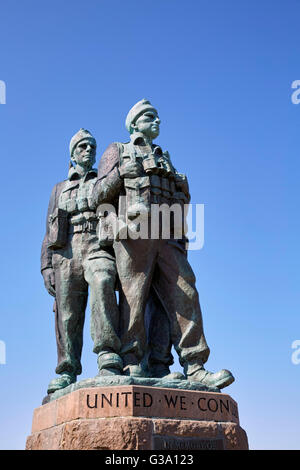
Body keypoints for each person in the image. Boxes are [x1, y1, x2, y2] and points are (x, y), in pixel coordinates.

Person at [92, 100, 234, 389]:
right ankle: (133, 361)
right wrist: (120, 173)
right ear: (134, 123)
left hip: (168, 231)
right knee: (134, 297)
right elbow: (98, 196)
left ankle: (195, 366)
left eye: (157, 117)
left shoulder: (164, 156)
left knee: (185, 290)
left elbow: (179, 198)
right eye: (149, 116)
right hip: (134, 232)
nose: (157, 121)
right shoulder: (118, 150)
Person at [41, 129, 123, 393]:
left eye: (91, 147)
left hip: (97, 245)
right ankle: (67, 369)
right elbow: (47, 232)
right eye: (82, 147)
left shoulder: (103, 180)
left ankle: (108, 355)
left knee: (103, 281)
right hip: (65, 253)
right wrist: (46, 266)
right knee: (67, 312)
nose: (88, 151)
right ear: (72, 154)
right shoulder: (58, 189)